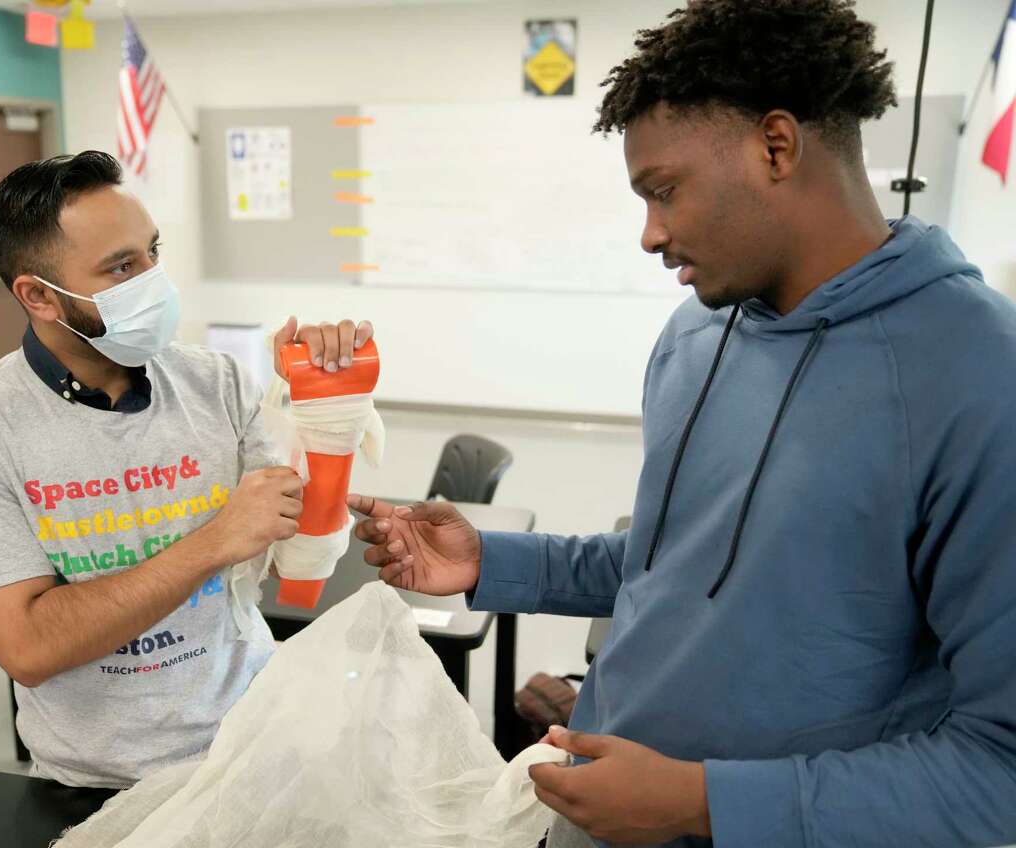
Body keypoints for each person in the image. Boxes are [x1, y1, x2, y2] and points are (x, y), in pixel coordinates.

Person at [349, 1, 1016, 845]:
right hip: (593, 811)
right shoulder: (699, 331)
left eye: (664, 191)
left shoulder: (978, 373)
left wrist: (705, 803)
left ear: (777, 146)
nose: (650, 233)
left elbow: (1001, 769)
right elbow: (682, 563)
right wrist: (494, 561)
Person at [0, 150, 371, 789]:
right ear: (39, 295)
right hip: (99, 784)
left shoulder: (215, 382)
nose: (154, 279)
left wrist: (324, 416)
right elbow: (30, 648)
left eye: (153, 253)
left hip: (256, 743)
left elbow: (302, 567)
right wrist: (213, 542)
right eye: (122, 267)